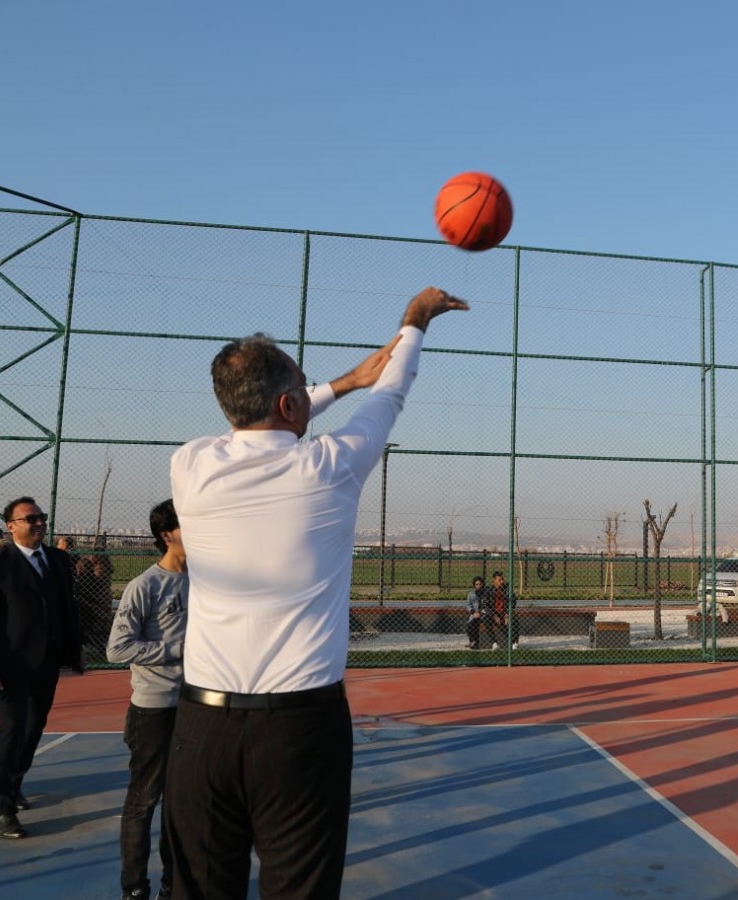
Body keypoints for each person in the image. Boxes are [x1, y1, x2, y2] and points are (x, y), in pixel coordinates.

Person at [165, 286, 468, 898]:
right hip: (300, 729)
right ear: (289, 404)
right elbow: (394, 392)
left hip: (200, 729)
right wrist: (414, 323)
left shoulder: (189, 464)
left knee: (196, 889)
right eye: (303, 391)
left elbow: (266, 416)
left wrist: (338, 384)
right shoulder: (329, 466)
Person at [0, 496, 85, 839]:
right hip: (9, 665)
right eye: (30, 518)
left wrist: (75, 646)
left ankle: (16, 783)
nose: (38, 523)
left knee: (35, 726)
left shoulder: (58, 560)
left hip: (46, 662)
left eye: (41, 517)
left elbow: (67, 607)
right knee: (12, 729)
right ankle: (2, 810)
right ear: (11, 526)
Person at [107, 500, 187, 900]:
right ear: (167, 535)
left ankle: (175, 885)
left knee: (182, 804)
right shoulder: (145, 586)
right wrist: (177, 649)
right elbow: (117, 650)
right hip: (154, 709)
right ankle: (134, 887)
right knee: (144, 801)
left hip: (196, 709)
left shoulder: (206, 581)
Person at [488, 570, 518, 649]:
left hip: (505, 612)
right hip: (495, 613)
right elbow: (486, 605)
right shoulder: (489, 590)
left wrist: (507, 613)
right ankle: (494, 643)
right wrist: (493, 615)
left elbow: (513, 602)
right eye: (499, 580)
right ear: (494, 581)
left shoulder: (507, 588)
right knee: (486, 619)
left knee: (515, 620)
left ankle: (514, 643)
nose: (502, 581)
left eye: (502, 579)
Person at [465, 575, 489, 649]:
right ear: (474, 585)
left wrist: (480, 613)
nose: (478, 586)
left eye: (480, 584)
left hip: (484, 614)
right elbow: (468, 605)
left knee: (474, 625)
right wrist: (473, 612)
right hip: (474, 614)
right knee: (469, 626)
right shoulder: (471, 594)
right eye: (476, 584)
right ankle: (473, 641)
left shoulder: (486, 594)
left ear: (482, 584)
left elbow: (487, 606)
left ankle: (475, 643)